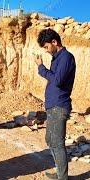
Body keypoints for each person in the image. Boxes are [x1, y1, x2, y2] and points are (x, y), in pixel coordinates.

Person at [34, 29, 76, 180]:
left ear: (54, 42)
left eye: (46, 47)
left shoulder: (66, 57)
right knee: (50, 140)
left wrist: (41, 68)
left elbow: (57, 80)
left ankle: (62, 177)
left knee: (57, 142)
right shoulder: (57, 58)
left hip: (60, 106)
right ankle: (60, 172)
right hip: (53, 106)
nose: (46, 51)